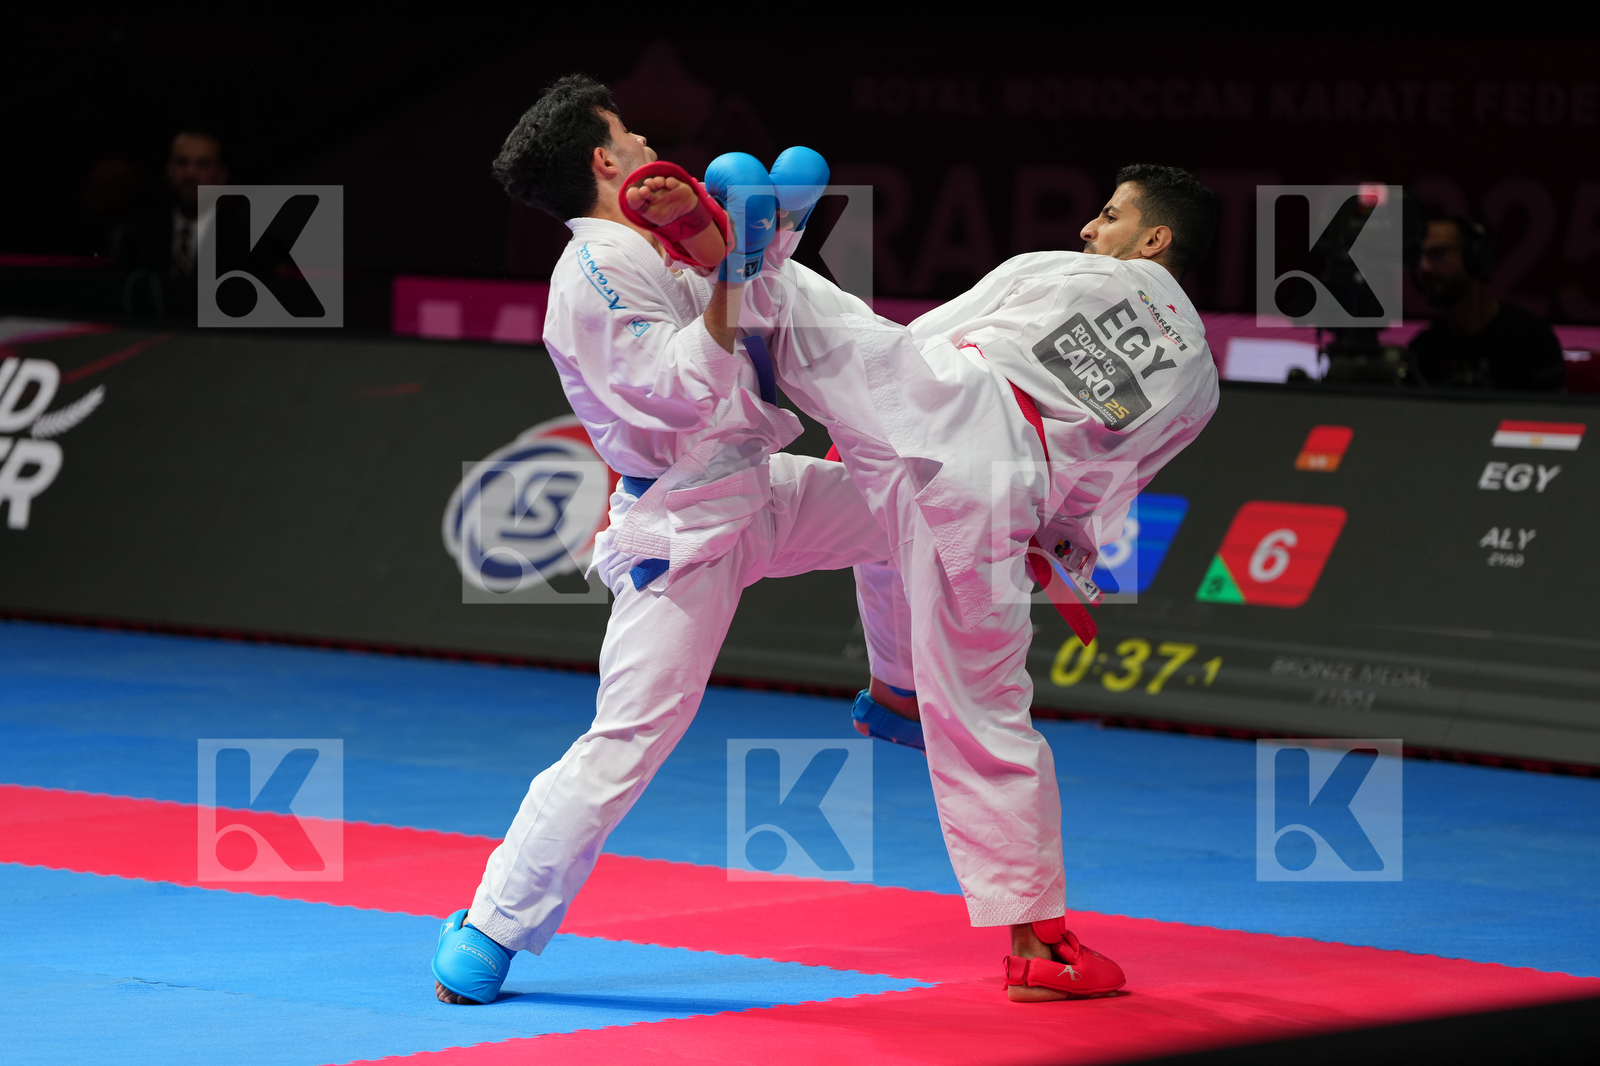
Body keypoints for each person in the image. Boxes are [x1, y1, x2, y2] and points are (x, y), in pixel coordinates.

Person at [430, 75, 910, 1006]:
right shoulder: (593, 270)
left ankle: (898, 691)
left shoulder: (652, 245)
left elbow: (755, 315)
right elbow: (678, 388)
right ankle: (493, 925)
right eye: (633, 134)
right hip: (682, 526)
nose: (650, 145)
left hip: (755, 487)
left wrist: (773, 240)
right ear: (604, 160)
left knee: (913, 510)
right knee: (630, 737)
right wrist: (737, 269)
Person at [738, 163, 1220, 1001]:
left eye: (1110, 216)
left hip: (941, 405)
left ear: (1154, 239)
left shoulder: (1060, 268)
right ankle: (1040, 948)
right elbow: (1111, 482)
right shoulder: (1200, 383)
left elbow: (934, 334)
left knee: (802, 311)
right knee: (987, 710)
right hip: (1005, 486)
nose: (1089, 230)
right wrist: (1052, 537)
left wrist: (863, 430)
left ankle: (738, 253)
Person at [1409, 216, 1565, 391]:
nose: (1424, 268)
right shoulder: (1424, 349)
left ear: (1474, 257)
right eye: (1418, 257)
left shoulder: (1533, 340)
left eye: (1438, 254)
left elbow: (1553, 407)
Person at [116, 128, 228, 320]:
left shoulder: (248, 239)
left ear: (221, 174)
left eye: (203, 164)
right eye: (182, 162)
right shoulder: (138, 232)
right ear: (168, 169)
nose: (191, 173)